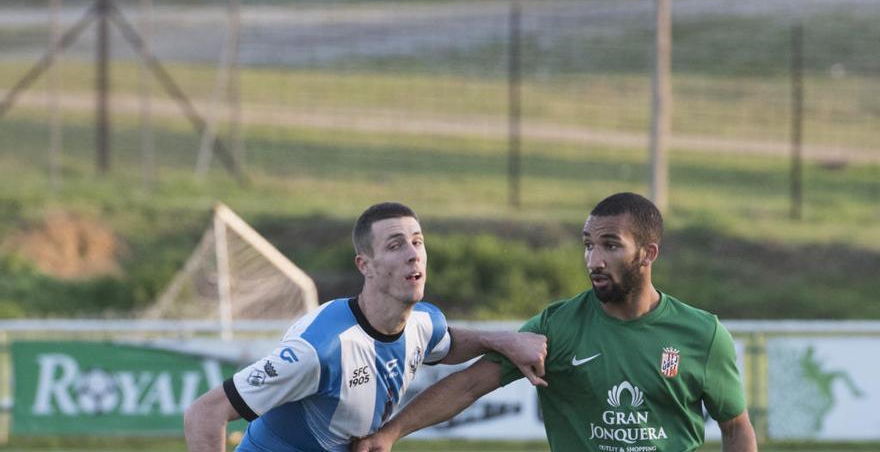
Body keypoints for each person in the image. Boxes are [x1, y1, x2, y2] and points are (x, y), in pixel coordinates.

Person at [353, 192, 758, 452]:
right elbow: (470, 383)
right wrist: (390, 433)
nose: (594, 260)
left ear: (648, 253)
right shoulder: (556, 326)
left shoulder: (702, 334)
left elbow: (736, 428)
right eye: (588, 245)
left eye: (610, 246)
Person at [184, 202, 547, 452]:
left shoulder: (423, 323)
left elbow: (447, 344)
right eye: (395, 245)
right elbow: (205, 412)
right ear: (365, 265)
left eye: (418, 241)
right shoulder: (318, 350)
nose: (413, 253)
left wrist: (503, 341)